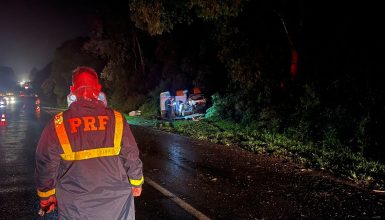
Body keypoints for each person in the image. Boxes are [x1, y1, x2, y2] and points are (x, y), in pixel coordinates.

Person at [35, 66, 144, 219]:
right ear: (98, 89)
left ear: (72, 90)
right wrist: (136, 182)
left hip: (76, 209)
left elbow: (46, 162)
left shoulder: (58, 123)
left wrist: (47, 195)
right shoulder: (117, 119)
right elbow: (131, 154)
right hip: (116, 207)